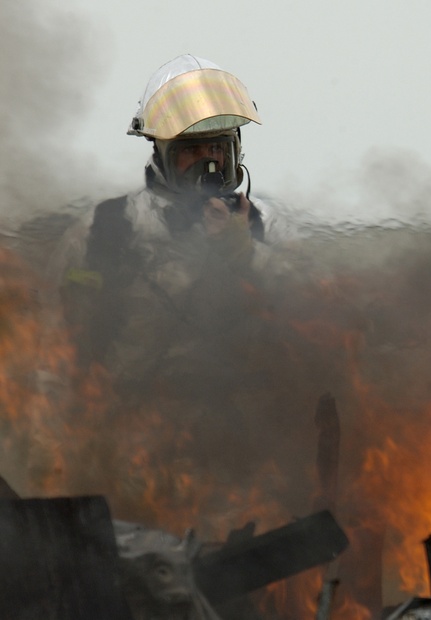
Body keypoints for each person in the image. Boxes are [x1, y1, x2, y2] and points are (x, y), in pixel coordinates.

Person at [52, 54, 276, 384]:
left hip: (241, 426)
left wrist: (244, 252)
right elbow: (56, 342)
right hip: (134, 420)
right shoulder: (106, 228)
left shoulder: (265, 224)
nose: (208, 165)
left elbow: (313, 314)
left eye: (216, 148)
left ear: (235, 151)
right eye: (190, 151)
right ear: (159, 152)